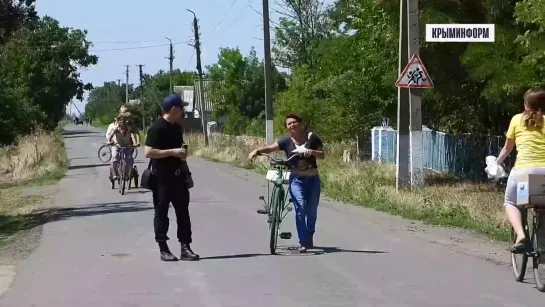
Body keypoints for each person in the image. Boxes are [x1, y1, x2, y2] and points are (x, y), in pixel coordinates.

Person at [248, 113, 325, 253]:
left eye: (294, 122)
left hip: (313, 180)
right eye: (289, 124)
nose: (292, 125)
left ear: (301, 123)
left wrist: (311, 151)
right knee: (300, 209)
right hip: (296, 180)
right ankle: (303, 241)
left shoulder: (312, 138)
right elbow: (271, 148)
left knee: (312, 213)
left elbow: (322, 155)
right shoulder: (286, 142)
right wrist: (257, 151)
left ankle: (309, 235)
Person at [144, 94, 199, 262]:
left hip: (178, 177)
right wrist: (172, 152)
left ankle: (185, 247)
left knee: (183, 213)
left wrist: (186, 171)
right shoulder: (157, 128)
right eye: (182, 108)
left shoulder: (177, 127)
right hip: (161, 179)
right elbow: (148, 152)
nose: (183, 111)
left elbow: (179, 153)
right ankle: (163, 249)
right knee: (161, 213)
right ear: (174, 109)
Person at [496, 87, 545, 253]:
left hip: (524, 176)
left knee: (512, 202)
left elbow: (507, 149)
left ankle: (521, 236)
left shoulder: (517, 120)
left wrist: (497, 163)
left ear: (525, 104)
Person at [108, 113, 137, 180]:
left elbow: (132, 135)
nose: (122, 123)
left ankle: (127, 172)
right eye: (120, 121)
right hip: (117, 146)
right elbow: (110, 136)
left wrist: (135, 143)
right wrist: (109, 141)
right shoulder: (116, 128)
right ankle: (114, 174)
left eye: (124, 121)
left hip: (127, 146)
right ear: (118, 122)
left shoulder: (129, 128)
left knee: (129, 159)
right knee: (115, 157)